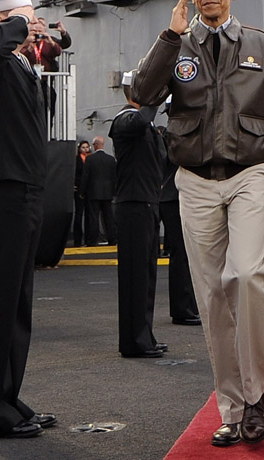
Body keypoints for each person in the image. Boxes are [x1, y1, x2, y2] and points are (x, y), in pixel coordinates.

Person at [132, 0, 264, 448]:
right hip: (195, 179)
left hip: (252, 172)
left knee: (247, 275)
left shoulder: (261, 46)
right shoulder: (178, 47)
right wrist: (170, 36)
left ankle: (257, 394)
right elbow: (143, 93)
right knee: (211, 295)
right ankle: (232, 407)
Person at [0, 0, 57, 439]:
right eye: (25, 18)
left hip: (26, 190)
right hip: (2, 192)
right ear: (2, 22)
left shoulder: (20, 64)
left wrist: (39, 41)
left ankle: (7, 396)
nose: (35, 24)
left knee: (17, 306)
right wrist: (18, 23)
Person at [109, 70, 166, 358]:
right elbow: (141, 119)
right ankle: (133, 341)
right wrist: (156, 97)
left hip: (147, 204)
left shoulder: (145, 125)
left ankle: (145, 335)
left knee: (146, 275)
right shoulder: (124, 119)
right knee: (134, 276)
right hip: (133, 206)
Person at [159, 150, 200, 325]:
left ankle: (186, 306)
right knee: (183, 254)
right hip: (176, 196)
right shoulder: (177, 138)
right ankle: (183, 308)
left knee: (183, 254)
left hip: (172, 196)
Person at [81, 136, 117, 246]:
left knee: (94, 217)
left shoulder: (90, 159)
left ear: (95, 145)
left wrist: (82, 192)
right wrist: (114, 192)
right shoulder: (111, 159)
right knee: (108, 217)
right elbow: (115, 177)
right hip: (108, 193)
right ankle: (112, 239)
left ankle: (93, 240)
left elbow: (86, 176)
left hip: (93, 192)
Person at [71, 140, 91, 246]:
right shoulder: (76, 160)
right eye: (83, 147)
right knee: (79, 214)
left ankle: (88, 238)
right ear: (79, 149)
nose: (85, 149)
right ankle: (77, 239)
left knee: (89, 215)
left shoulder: (90, 159)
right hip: (79, 189)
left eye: (87, 147)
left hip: (89, 190)